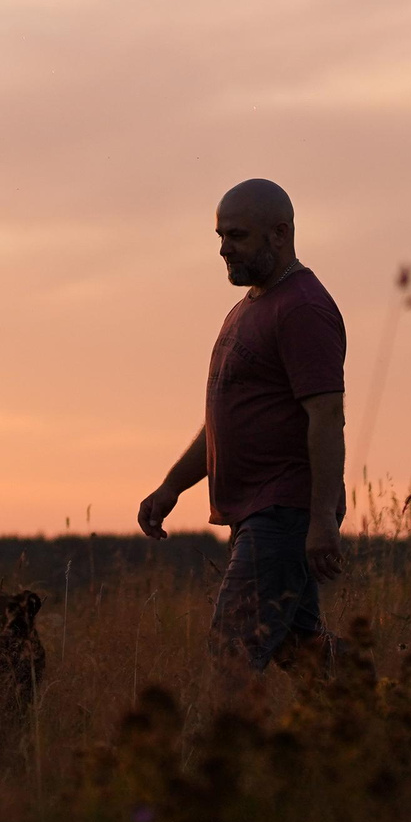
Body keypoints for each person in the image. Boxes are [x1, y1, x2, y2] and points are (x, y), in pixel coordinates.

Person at [136, 178, 347, 673]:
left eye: (237, 237)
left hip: (283, 513)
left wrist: (319, 519)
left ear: (279, 233)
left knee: (232, 650)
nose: (225, 250)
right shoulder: (248, 307)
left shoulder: (304, 309)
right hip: (259, 512)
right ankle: (381, 721)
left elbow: (327, 416)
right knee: (300, 650)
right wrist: (172, 486)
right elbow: (225, 419)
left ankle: (234, 751)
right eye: (220, 237)